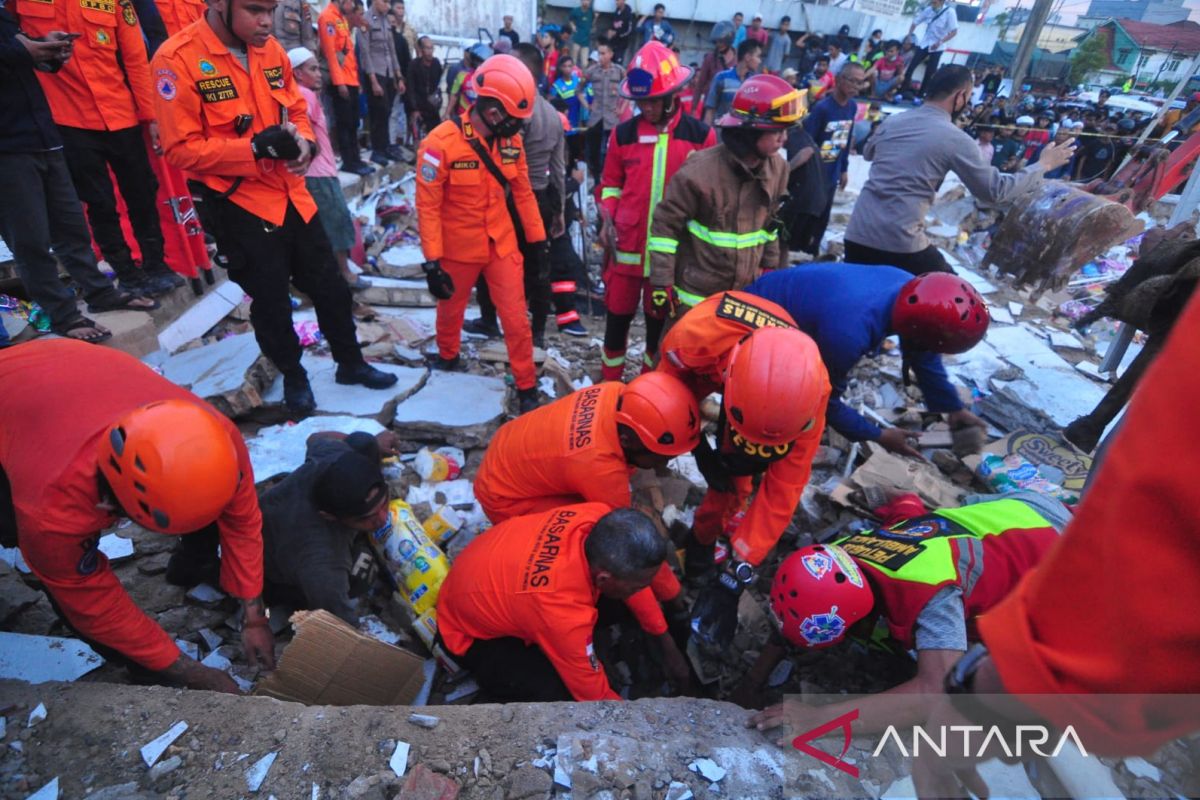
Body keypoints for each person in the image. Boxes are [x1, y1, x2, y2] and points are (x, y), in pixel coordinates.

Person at [909, 292, 1200, 798]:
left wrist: (983, 692)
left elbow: (1156, 542)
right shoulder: (913, 556)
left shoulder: (932, 590)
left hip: (1057, 551)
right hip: (1039, 528)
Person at [152, 0, 398, 415]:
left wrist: (306, 143)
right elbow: (179, 149)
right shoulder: (176, 59)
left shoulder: (273, 51)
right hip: (240, 203)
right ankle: (295, 379)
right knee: (271, 302)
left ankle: (350, 363)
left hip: (293, 196)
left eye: (271, 9)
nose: (265, 20)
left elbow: (297, 110)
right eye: (254, 9)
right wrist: (251, 149)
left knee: (332, 287)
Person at [0, 340, 275, 693]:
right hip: (17, 394)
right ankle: (144, 668)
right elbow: (89, 598)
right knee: (22, 539)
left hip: (67, 369)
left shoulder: (215, 439)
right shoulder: (51, 509)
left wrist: (256, 615)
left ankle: (190, 564)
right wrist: (188, 671)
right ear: (111, 510)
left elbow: (242, 521)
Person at [743, 492, 1072, 733]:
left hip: (1067, 552)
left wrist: (818, 720)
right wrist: (753, 681)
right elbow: (907, 504)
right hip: (1018, 508)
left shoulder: (931, 595)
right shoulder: (849, 550)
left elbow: (936, 693)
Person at [472, 372, 700, 681]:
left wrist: (671, 594)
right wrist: (664, 634)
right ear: (628, 440)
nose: (663, 466)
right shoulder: (598, 466)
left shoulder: (619, 394)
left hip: (511, 449)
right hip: (505, 495)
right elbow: (627, 559)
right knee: (591, 551)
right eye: (659, 457)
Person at [655, 301, 830, 649]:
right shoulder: (689, 344)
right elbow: (664, 402)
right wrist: (697, 446)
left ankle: (701, 545)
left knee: (735, 480)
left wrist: (739, 571)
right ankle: (699, 541)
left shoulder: (810, 394)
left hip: (762, 383)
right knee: (661, 434)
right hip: (714, 358)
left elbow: (784, 488)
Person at [0, 14, 157, 344]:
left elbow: (22, 63)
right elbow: (13, 54)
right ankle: (64, 315)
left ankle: (99, 292)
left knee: (72, 227)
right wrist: (23, 49)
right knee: (30, 239)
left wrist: (48, 51)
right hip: (8, 149)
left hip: (44, 135)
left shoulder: (4, 14)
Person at [14, 0, 182, 298]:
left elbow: (135, 58)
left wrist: (151, 116)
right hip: (67, 118)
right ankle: (126, 273)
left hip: (120, 112)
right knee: (99, 201)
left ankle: (156, 265)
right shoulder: (19, 3)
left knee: (142, 191)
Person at [844, 66, 1075, 275]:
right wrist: (1043, 165)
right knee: (953, 293)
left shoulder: (892, 122)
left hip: (856, 234)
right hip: (899, 242)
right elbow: (994, 191)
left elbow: (869, 153)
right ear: (960, 97)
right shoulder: (955, 138)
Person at [415, 54, 548, 415]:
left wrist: (538, 244)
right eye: (513, 119)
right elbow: (427, 206)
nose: (518, 127)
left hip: (500, 242)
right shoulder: (439, 144)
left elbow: (522, 192)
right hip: (457, 246)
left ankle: (525, 383)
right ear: (491, 110)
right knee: (451, 308)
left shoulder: (511, 144)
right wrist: (431, 263)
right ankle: (448, 355)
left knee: (516, 318)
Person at [746, 266, 989, 457]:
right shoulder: (848, 333)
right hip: (751, 321)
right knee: (787, 408)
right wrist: (878, 435)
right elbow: (821, 401)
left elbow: (921, 350)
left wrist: (952, 407)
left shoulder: (911, 289)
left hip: (782, 296)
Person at [436, 504, 669, 702]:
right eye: (638, 585)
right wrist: (637, 720)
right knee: (558, 696)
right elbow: (593, 697)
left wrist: (662, 633)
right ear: (603, 578)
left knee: (624, 604)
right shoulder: (561, 611)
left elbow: (637, 587)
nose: (642, 590)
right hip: (465, 633)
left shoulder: (598, 516)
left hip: (483, 574)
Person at [596, 41, 714, 381]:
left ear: (673, 95)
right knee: (615, 330)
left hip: (669, 261)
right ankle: (607, 391)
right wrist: (608, 214)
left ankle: (648, 391)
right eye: (640, 102)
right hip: (626, 254)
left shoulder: (701, 137)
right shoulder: (623, 135)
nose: (645, 108)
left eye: (652, 101)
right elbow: (610, 184)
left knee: (657, 335)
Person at [649, 75, 795, 316]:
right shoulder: (698, 172)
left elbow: (772, 224)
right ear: (751, 131)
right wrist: (662, 282)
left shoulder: (779, 168)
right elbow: (665, 228)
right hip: (696, 300)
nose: (784, 138)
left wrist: (770, 269)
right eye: (777, 131)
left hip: (744, 299)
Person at [466, 43, 576, 346]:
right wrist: (560, 213)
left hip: (511, 199)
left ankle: (490, 320)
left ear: (525, 73)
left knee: (490, 260)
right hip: (542, 200)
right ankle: (537, 332)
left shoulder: (516, 114)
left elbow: (505, 165)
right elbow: (560, 167)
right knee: (537, 267)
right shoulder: (554, 115)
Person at [260, 429, 399, 625]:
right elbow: (339, 624)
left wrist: (376, 445)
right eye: (367, 517)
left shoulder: (334, 456)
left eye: (384, 503)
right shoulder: (321, 562)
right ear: (330, 517)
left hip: (280, 506)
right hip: (271, 571)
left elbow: (314, 437)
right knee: (363, 573)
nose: (383, 520)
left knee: (364, 442)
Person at [289, 47, 368, 291]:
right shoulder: (304, 95)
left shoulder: (302, 93)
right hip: (319, 174)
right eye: (312, 69)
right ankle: (345, 276)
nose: (319, 73)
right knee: (336, 224)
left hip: (318, 172)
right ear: (297, 73)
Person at [801, 62, 863, 254]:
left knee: (823, 217)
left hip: (833, 173)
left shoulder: (852, 107)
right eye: (852, 80)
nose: (855, 86)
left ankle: (812, 253)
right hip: (815, 174)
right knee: (808, 216)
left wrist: (844, 169)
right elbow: (808, 141)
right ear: (838, 79)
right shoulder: (823, 108)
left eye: (860, 83)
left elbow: (846, 138)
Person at [319, 0, 372, 175]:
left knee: (353, 123)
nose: (351, 6)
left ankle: (356, 159)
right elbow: (331, 55)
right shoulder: (327, 17)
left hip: (352, 79)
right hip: (341, 81)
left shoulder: (340, 18)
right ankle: (349, 161)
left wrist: (356, 82)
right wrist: (339, 82)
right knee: (345, 123)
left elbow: (348, 51)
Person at [360, 0, 403, 166]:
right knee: (378, 112)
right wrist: (373, 80)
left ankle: (385, 147)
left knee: (386, 111)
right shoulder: (366, 19)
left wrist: (398, 75)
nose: (387, 5)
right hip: (375, 72)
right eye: (384, 2)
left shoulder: (385, 19)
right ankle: (377, 150)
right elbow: (365, 52)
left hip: (388, 72)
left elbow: (391, 50)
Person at [779, 120, 826, 258]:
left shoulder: (793, 137)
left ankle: (779, 274)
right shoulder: (805, 136)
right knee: (785, 246)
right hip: (816, 200)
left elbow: (806, 153)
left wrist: (784, 171)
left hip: (801, 200)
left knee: (781, 243)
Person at [582, 41, 625, 177]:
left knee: (610, 150)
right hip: (596, 117)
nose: (600, 57)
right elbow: (578, 90)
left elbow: (629, 91)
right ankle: (595, 178)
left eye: (603, 53)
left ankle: (609, 176)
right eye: (599, 53)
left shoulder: (619, 71)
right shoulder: (592, 71)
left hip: (612, 117)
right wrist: (587, 105)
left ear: (611, 54)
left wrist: (622, 108)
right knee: (593, 149)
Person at [903, 0, 957, 97]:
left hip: (938, 46)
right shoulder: (929, 10)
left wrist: (940, 42)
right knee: (911, 66)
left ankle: (921, 94)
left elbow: (954, 31)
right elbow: (915, 22)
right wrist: (909, 36)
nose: (932, 2)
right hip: (925, 43)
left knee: (930, 72)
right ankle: (903, 91)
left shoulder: (950, 12)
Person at [703, 39, 761, 127]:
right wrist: (707, 135)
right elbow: (710, 110)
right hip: (721, 135)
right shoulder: (721, 78)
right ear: (748, 57)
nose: (759, 61)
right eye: (758, 56)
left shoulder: (756, 83)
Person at [694, 20, 735, 118]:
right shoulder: (710, 59)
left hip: (729, 110)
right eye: (717, 42)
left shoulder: (738, 60)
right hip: (710, 109)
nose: (719, 44)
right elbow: (699, 86)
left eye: (721, 42)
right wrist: (694, 109)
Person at [407, 36, 443, 142]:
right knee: (418, 138)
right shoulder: (413, 65)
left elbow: (439, 85)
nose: (430, 51)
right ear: (421, 50)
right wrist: (414, 109)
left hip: (433, 108)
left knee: (436, 138)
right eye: (427, 48)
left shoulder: (436, 64)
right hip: (418, 106)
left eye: (431, 48)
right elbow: (410, 88)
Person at [446, 43, 492, 121]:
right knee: (468, 133)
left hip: (480, 119)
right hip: (466, 117)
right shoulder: (462, 75)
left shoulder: (489, 79)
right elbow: (454, 95)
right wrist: (448, 113)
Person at [569, 0, 595, 67]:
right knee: (573, 61)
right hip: (577, 39)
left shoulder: (591, 12)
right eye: (584, 0)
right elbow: (570, 20)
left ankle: (583, 77)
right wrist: (573, 26)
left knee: (585, 63)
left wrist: (596, 18)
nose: (586, 2)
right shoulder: (576, 11)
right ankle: (573, 76)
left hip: (586, 41)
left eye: (588, 1)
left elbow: (592, 23)